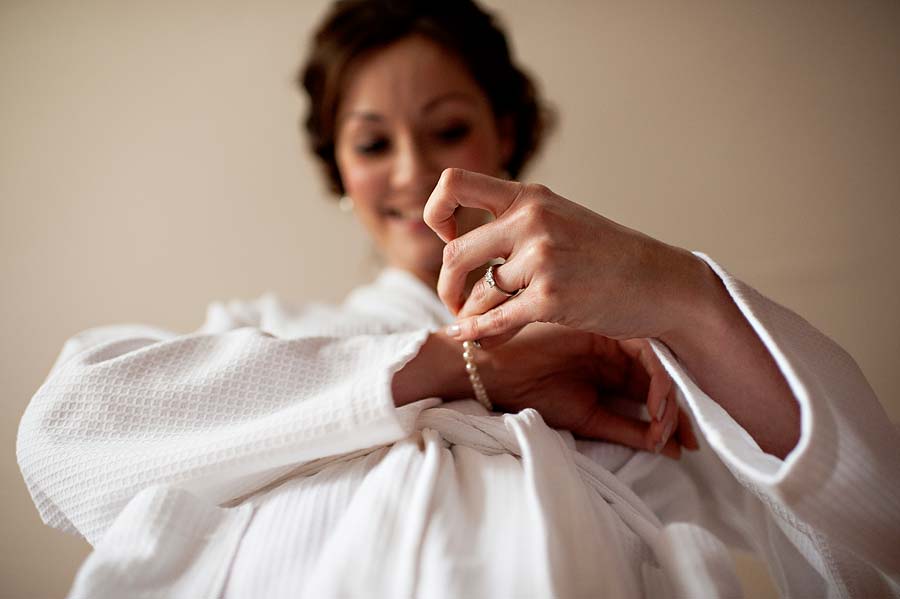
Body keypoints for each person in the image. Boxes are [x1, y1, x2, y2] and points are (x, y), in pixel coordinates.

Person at [16, 1, 899, 597]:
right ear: (336, 165)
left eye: (446, 129)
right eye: (371, 144)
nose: (412, 173)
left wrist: (678, 296)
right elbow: (64, 432)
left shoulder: (623, 370)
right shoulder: (258, 341)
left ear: (501, 133)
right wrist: (461, 366)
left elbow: (875, 532)